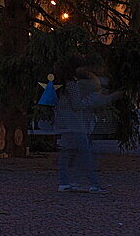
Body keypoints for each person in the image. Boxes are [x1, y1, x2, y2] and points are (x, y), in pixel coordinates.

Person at [55, 56, 107, 193]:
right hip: (75, 124)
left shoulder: (62, 83)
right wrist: (93, 97)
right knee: (86, 155)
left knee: (66, 155)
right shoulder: (72, 84)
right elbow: (77, 105)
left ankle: (64, 182)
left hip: (65, 124)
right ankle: (93, 184)